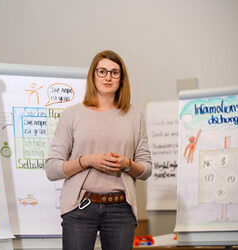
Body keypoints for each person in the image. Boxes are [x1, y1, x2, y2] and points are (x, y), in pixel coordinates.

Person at [45, 50, 152, 250]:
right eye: (102, 71)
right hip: (80, 206)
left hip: (121, 209)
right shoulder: (72, 115)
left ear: (122, 79)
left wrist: (127, 164)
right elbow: (52, 169)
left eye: (114, 72)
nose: (108, 77)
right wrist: (86, 161)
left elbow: (146, 169)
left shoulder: (135, 116)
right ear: (93, 76)